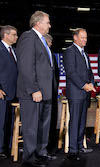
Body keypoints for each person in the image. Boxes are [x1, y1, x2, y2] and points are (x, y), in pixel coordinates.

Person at [16, 11, 57, 167]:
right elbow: (26, 66)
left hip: (45, 92)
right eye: (47, 22)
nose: (50, 25)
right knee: (31, 126)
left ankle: (41, 152)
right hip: (33, 92)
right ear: (38, 23)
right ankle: (29, 158)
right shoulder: (28, 37)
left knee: (42, 126)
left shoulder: (40, 40)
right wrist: (34, 89)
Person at [63, 28, 95, 160]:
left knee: (82, 121)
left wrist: (92, 83)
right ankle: (73, 150)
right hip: (76, 92)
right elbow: (71, 73)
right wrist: (84, 85)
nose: (85, 40)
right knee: (75, 121)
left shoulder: (85, 54)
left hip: (85, 93)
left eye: (86, 38)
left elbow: (89, 72)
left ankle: (80, 146)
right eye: (82, 37)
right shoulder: (70, 52)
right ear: (75, 38)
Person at [0, 25, 18, 159]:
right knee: (1, 122)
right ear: (6, 35)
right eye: (14, 35)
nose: (16, 37)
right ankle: (0, 148)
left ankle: (11, 146)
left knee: (11, 121)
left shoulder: (14, 51)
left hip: (14, 93)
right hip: (2, 92)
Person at [44, 34, 60, 152]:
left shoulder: (52, 56)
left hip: (52, 92)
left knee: (52, 119)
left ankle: (51, 144)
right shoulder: (40, 54)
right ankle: (44, 147)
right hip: (43, 93)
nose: (51, 44)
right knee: (44, 121)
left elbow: (56, 73)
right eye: (49, 42)